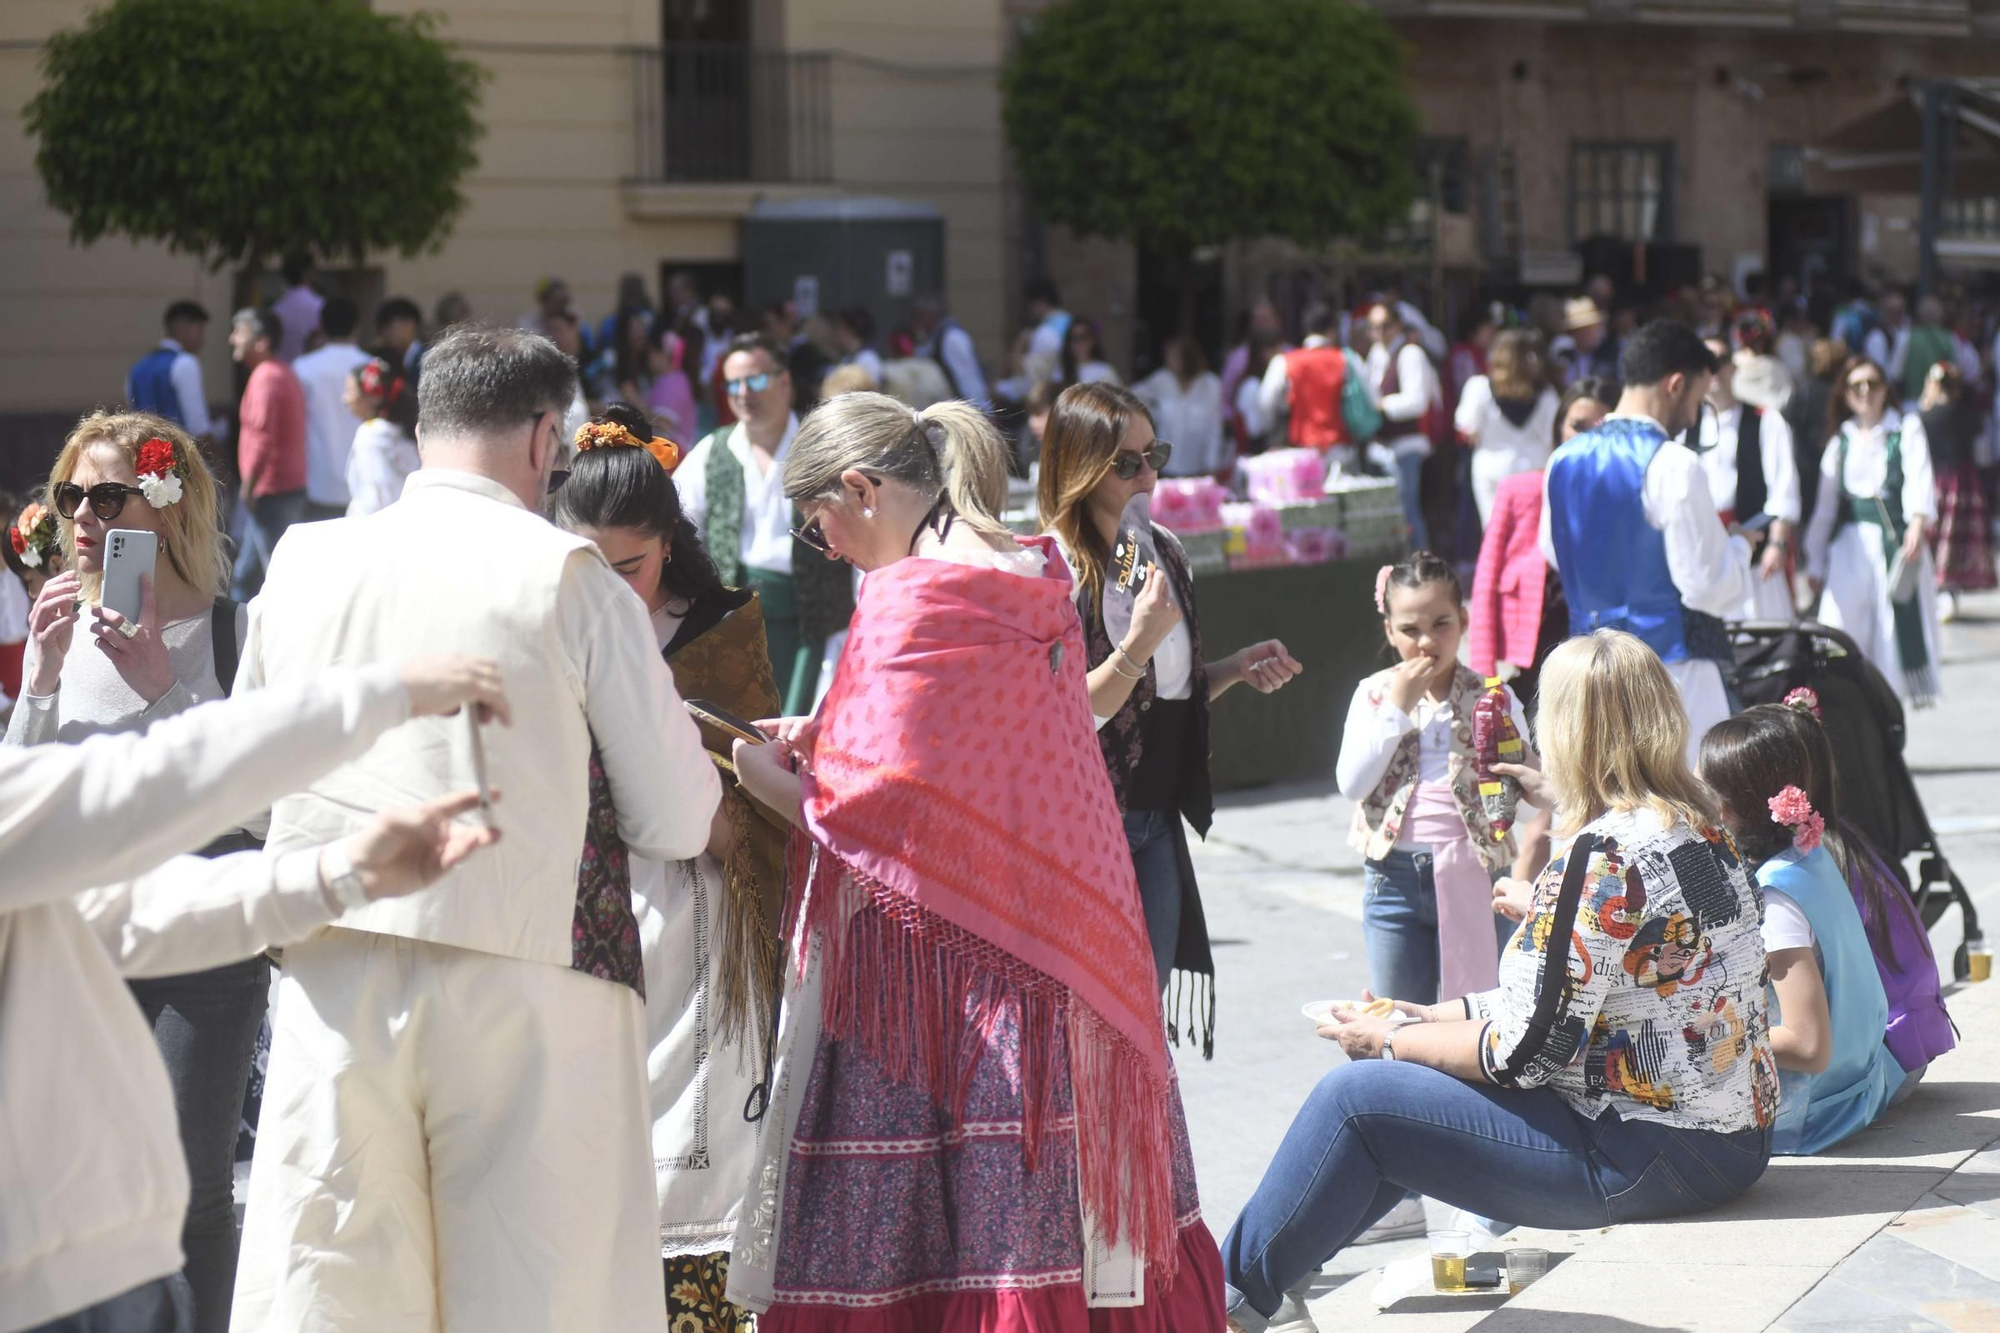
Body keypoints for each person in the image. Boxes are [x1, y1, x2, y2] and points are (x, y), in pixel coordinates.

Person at [229, 326, 722, 1333]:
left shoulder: (305, 557)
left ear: (422, 427)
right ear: (547, 437)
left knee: (336, 1288)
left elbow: (244, 791)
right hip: (529, 973)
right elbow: (676, 817)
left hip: (335, 966)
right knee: (533, 1295)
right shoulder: (569, 574)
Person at [725, 390, 1225, 1329]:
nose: (825, 549)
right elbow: (997, 749)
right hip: (1070, 944)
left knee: (941, 1241)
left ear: (860, 488)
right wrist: (829, 732)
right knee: (1052, 1232)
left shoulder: (909, 595)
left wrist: (762, 777)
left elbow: (866, 813)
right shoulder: (1029, 567)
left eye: (819, 524)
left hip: (948, 975)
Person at [1222, 631, 1776, 1332]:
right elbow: (1561, 999)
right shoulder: (1699, 828)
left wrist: (1391, 1039)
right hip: (1734, 1140)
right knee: (1400, 1110)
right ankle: (1267, 1287)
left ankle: (1221, 1301)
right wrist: (1429, 1013)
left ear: (1567, 731)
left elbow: (1525, 1053)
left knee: (1355, 1099)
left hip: (1647, 1150)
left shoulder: (1602, 858)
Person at [0, 654, 510, 1333]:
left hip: (89, 1277)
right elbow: (159, 779)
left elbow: (125, 913)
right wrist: (388, 691)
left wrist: (338, 873)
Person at [6, 411, 259, 1333]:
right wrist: (38, 681)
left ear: (166, 504)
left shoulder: (237, 633)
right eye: (69, 494)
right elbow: (16, 806)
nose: (80, 515)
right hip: (76, 942)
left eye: (107, 495)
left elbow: (262, 808)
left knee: (187, 1192)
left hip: (202, 942)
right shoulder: (59, 627)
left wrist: (166, 685)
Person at [551, 407, 785, 1333]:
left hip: (703, 914)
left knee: (704, 1138)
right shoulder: (535, 625)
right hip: (574, 917)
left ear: (668, 543)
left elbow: (763, 800)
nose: (610, 589)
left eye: (631, 567)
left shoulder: (723, 628)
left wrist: (687, 756)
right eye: (588, 567)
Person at [1038, 381, 1301, 1029]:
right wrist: (1136, 646)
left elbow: (1164, 698)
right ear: (1077, 468)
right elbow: (1066, 716)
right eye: (1126, 463)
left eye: (1153, 453)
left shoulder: (1164, 550)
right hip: (1086, 827)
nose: (1149, 473)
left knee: (1139, 1026)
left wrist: (1235, 669)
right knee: (1090, 1020)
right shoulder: (1055, 570)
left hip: (1156, 821)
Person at [1698, 703, 1907, 1155]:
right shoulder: (1807, 856)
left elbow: (1809, 1046)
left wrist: (1702, 1034)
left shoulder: (1775, 899)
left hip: (1817, 1113)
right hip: (1862, 1083)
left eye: (1698, 786)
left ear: (1726, 808)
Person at [1542, 321, 1751, 765]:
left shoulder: (1562, 459)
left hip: (1588, 672)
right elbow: (1706, 584)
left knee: (1603, 811)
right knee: (1688, 811)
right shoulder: (1674, 463)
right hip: (1671, 672)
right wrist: (1739, 548)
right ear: (1675, 385)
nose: (1695, 417)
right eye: (1697, 400)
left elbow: (1553, 552)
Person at [1338, 551, 1525, 1012]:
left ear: (1462, 621)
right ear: (1389, 631)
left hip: (1478, 871)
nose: (1426, 642)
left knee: (1483, 1011)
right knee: (1398, 1016)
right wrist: (1395, 710)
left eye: (1441, 624)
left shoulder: (1493, 695)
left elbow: (1528, 774)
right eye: (1410, 630)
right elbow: (1352, 784)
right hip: (1394, 877)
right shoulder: (1374, 693)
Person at [675, 334, 854, 715]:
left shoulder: (822, 448)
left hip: (815, 623)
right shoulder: (712, 451)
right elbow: (679, 529)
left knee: (807, 727)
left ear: (784, 381)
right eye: (733, 383)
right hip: (736, 624)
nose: (743, 393)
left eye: (754, 380)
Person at [1469, 378, 1614, 719]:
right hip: (1536, 645)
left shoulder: (1623, 495)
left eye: (1600, 427)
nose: (1586, 437)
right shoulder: (1519, 489)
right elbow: (1486, 578)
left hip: (1600, 648)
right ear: (1559, 428)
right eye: (1577, 426)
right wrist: (1486, 670)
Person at [1802, 356, 1943, 708]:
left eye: (1872, 384)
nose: (1864, 392)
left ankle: (1888, 725)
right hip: (1850, 549)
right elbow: (1825, 507)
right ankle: (1849, 715)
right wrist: (1815, 562)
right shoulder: (1841, 441)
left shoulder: (1904, 429)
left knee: (1891, 639)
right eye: (1856, 386)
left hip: (1894, 546)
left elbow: (1920, 479)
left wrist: (1917, 523)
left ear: (1884, 390)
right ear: (1845, 394)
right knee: (1839, 631)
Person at [1695, 333, 1801, 622]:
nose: (1713, 369)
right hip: (1703, 560)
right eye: (1705, 362)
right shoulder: (1686, 428)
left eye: (1720, 361)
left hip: (1755, 555)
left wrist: (1777, 545)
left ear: (1733, 367)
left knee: (1765, 645)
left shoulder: (1766, 421)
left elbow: (1784, 492)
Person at [228, 308, 307, 601]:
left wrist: (248, 487)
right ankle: (238, 635)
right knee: (246, 576)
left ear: (261, 341)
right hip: (276, 490)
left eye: (239, 332)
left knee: (277, 576)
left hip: (272, 491)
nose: (232, 338)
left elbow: (262, 438)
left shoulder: (267, 377)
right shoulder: (277, 372)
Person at [1455, 327, 1558, 524]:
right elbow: (1552, 436)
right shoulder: (1546, 393)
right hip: (1533, 469)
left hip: (1492, 470)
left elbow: (1466, 430)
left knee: (1495, 533)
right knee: (1530, 536)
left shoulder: (1478, 387)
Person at [1920, 361, 1996, 619]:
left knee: (1938, 536)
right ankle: (1948, 591)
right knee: (1955, 539)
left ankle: (1939, 590)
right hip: (1965, 481)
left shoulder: (1925, 416)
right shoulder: (1967, 414)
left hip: (1937, 481)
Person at [1257, 304, 1374, 471]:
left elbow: (1265, 403)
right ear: (1332, 330)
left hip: (1299, 453)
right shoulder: (1347, 359)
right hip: (1340, 450)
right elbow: (1369, 397)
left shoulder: (1284, 362)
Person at [1366, 302, 1443, 551]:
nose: (1379, 333)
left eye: (1385, 326)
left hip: (1406, 447)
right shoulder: (1376, 355)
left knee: (1407, 513)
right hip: (1380, 447)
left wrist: (1381, 406)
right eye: (1373, 327)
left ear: (1398, 326)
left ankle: (1421, 572)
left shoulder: (1410, 354)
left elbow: (1417, 401)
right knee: (1388, 517)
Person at [291, 297, 373, 521]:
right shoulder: (371, 366)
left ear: (321, 327)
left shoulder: (302, 367)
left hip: (317, 477)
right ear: (357, 326)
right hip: (363, 476)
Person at [1135, 335, 1228, 476]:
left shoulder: (1210, 384)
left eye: (1173, 356)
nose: (1168, 360)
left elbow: (1214, 427)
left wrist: (1212, 464)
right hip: (1165, 464)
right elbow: (1134, 395)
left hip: (1197, 465)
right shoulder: (1162, 379)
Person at [126, 301, 218, 442]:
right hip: (178, 455)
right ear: (182, 328)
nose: (202, 340)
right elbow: (198, 426)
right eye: (200, 331)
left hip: (144, 455)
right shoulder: (186, 363)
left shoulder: (138, 367)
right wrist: (218, 459)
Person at [342, 356, 421, 517]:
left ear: (373, 397)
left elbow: (375, 498)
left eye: (350, 390)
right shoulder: (401, 431)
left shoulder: (370, 436)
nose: (345, 399)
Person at [911, 291, 990, 412]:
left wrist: (980, 412)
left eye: (920, 315)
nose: (917, 320)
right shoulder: (932, 337)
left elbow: (968, 378)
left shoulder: (952, 338)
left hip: (963, 413)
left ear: (930, 314)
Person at [1220, 298, 1288, 414]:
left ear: (1277, 321)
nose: (1261, 324)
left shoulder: (1291, 354)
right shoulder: (1237, 358)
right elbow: (1225, 398)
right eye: (1257, 319)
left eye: (1266, 319)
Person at [1893, 294, 1955, 409]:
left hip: (1912, 405)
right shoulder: (1950, 338)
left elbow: (1895, 373)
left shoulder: (1906, 336)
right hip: (1942, 407)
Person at [647, 327, 700, 448]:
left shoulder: (673, 382)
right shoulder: (673, 378)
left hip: (675, 457)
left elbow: (663, 424)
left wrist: (634, 402)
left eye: (651, 353)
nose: (648, 358)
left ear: (661, 354)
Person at [269, 252, 323, 363]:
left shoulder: (276, 308)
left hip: (284, 370)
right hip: (313, 371)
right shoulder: (320, 306)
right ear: (306, 273)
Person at [1061, 316, 1123, 387]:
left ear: (1093, 340)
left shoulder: (1105, 371)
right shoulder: (1059, 372)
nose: (1079, 343)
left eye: (1083, 337)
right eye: (1074, 338)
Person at [832, 304, 885, 386]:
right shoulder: (846, 359)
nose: (837, 333)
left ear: (849, 329)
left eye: (840, 328)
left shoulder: (868, 359)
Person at [373, 296, 424, 377]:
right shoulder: (390, 362)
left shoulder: (425, 359)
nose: (385, 333)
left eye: (389, 326)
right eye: (381, 329)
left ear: (409, 323)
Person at [518, 275, 572, 339]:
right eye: (554, 301)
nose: (557, 306)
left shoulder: (574, 319)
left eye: (560, 301)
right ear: (543, 301)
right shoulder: (528, 322)